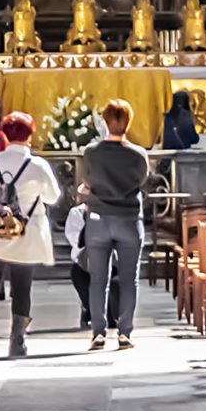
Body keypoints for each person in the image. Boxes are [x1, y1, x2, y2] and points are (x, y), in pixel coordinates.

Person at [0, 112, 61, 360]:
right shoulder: (38, 166)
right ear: (30, 136)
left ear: (5, 136)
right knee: (22, 286)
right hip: (26, 233)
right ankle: (17, 340)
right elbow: (52, 196)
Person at [73, 99, 151, 351]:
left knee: (98, 279)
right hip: (128, 219)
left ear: (105, 122)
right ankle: (125, 333)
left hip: (99, 219)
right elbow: (141, 181)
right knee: (129, 279)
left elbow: (88, 181)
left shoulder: (92, 153)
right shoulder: (138, 154)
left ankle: (98, 333)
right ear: (129, 122)